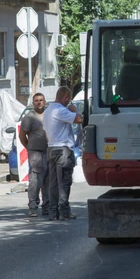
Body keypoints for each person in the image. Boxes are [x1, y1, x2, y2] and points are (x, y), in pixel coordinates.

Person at [43, 86, 83, 221]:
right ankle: (64, 211)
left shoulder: (48, 111)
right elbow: (79, 119)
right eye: (69, 100)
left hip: (51, 148)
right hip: (63, 149)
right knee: (64, 182)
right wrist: (74, 109)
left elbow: (46, 133)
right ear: (65, 98)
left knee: (53, 182)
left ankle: (53, 212)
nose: (69, 102)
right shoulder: (60, 110)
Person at [20, 93, 50, 217]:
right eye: (36, 100)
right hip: (35, 153)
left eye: (41, 100)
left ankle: (47, 207)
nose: (39, 102)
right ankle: (33, 207)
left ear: (45, 102)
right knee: (35, 181)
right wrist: (29, 147)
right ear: (33, 103)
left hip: (48, 151)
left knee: (48, 181)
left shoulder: (49, 115)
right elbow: (22, 135)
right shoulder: (29, 117)